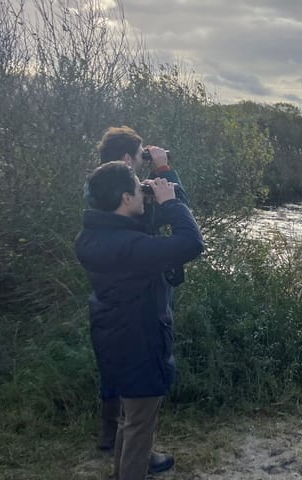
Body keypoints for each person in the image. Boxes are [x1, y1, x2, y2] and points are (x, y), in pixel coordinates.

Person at [76, 161, 204, 479]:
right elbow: (191, 243)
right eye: (137, 188)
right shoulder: (130, 248)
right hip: (141, 339)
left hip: (113, 334)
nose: (142, 190)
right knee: (139, 426)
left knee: (129, 417)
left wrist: (160, 185)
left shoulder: (94, 235)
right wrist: (170, 201)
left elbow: (139, 232)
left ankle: (121, 472)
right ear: (125, 199)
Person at [87, 126, 190, 461]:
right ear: (129, 158)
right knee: (140, 390)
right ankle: (136, 452)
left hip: (111, 312)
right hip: (140, 308)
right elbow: (183, 226)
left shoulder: (97, 195)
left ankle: (116, 438)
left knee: (120, 371)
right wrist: (163, 171)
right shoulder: (127, 204)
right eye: (142, 152)